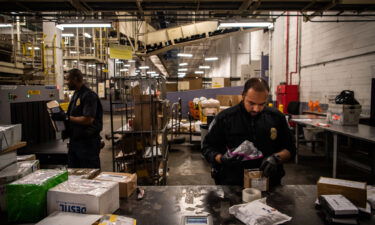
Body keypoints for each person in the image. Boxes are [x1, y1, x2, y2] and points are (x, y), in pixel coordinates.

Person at [202, 78, 295, 186]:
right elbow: (207, 147)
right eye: (251, 103)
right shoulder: (225, 118)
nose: (256, 109)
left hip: (269, 182)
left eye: (261, 104)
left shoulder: (276, 117)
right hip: (233, 183)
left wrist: (276, 158)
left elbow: (290, 149)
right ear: (243, 95)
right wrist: (221, 159)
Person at [52, 68, 103, 168]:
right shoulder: (76, 94)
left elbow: (88, 120)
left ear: (75, 79)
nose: (66, 82)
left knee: (89, 174)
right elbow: (74, 115)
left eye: (68, 79)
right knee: (74, 174)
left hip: (87, 145)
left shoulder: (89, 95)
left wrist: (67, 117)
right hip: (76, 142)